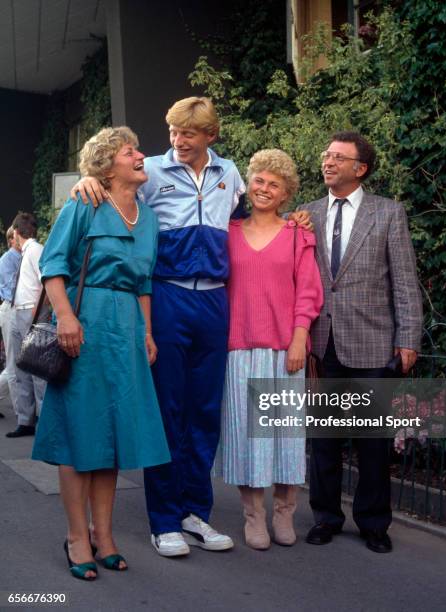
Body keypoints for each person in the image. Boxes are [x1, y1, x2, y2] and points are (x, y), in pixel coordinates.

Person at [71, 97, 311, 557]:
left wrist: (296, 218)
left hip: (214, 302)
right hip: (167, 296)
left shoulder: (230, 174)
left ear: (210, 137)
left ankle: (195, 512)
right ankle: (164, 520)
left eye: (188, 134)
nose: (178, 142)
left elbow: (252, 219)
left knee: (204, 412)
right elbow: (114, 192)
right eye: (173, 131)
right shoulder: (152, 172)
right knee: (168, 411)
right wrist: (88, 179)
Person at [32, 126, 170, 580]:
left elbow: (144, 282)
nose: (140, 155)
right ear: (107, 165)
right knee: (79, 433)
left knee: (112, 435)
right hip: (84, 323)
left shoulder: (147, 217)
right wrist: (67, 318)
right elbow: (53, 264)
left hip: (127, 328)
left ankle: (104, 535)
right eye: (131, 151)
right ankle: (76, 537)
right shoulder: (84, 202)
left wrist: (147, 333)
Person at [298, 131, 423, 553]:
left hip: (373, 344)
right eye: (326, 154)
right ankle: (326, 517)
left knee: (372, 445)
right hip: (323, 342)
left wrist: (408, 337)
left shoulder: (388, 214)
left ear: (360, 168)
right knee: (325, 443)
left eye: (338, 157)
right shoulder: (307, 214)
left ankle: (373, 523)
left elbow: (405, 281)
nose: (327, 162)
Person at [217, 149, 323, 549]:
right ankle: (253, 516)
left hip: (285, 350)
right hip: (238, 348)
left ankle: (284, 513)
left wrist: (299, 338)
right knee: (248, 437)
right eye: (259, 180)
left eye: (273, 184)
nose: (264, 189)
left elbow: (309, 294)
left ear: (286, 194)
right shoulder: (226, 232)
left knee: (286, 436)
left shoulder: (299, 235)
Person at [6, 213, 46, 438]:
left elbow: (46, 281)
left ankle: (41, 419)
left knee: (36, 369)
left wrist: (36, 312)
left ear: (17, 233)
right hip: (19, 310)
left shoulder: (36, 250)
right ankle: (26, 420)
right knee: (21, 368)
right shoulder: (29, 251)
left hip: (29, 312)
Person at [0, 226, 22, 415]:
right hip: (12, 307)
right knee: (13, 364)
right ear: (11, 239)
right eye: (17, 236)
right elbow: (9, 288)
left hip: (19, 308)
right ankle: (21, 413)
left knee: (18, 362)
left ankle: (23, 412)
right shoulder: (8, 259)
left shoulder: (23, 256)